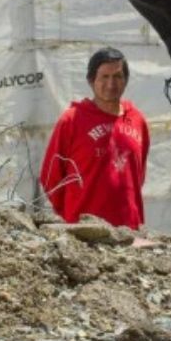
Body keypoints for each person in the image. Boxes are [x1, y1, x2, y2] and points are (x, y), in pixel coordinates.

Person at [39, 47, 150, 229]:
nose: (111, 84)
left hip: (129, 231)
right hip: (85, 233)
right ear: (91, 81)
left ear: (126, 80)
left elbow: (138, 174)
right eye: (104, 77)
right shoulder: (72, 120)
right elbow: (51, 176)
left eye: (117, 77)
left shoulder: (137, 120)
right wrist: (71, 215)